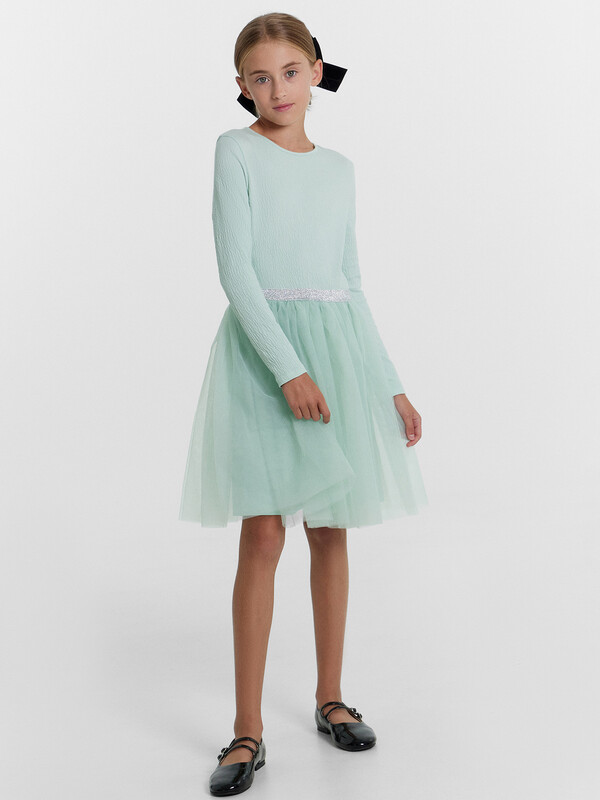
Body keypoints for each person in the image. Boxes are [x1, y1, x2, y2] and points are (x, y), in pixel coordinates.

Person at [178, 12, 429, 796]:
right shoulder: (235, 151)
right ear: (242, 87)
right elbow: (237, 272)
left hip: (338, 355)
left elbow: (350, 281)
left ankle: (331, 698)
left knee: (329, 527)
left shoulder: (340, 169)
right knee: (262, 533)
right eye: (260, 78)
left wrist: (389, 382)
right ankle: (246, 729)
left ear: (316, 72)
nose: (277, 89)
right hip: (265, 359)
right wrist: (287, 369)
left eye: (290, 72)